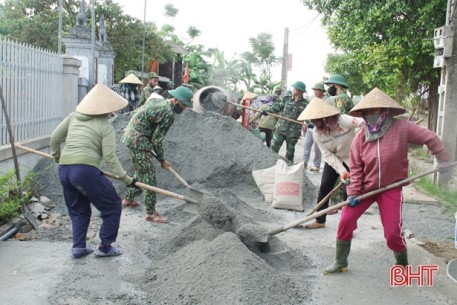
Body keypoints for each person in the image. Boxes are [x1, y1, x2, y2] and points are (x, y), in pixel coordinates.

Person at [324, 88, 452, 274]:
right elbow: (357, 170)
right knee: (346, 219)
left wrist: (442, 159)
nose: (370, 115)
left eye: (374, 111)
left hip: (391, 188)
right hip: (366, 188)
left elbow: (430, 137)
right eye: (366, 112)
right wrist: (353, 193)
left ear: (385, 110)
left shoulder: (402, 128)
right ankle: (340, 261)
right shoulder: (360, 138)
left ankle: (402, 264)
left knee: (392, 233)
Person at [50, 84, 137, 258]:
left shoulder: (73, 117)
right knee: (112, 205)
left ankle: (79, 247)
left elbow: (54, 138)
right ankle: (105, 246)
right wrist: (127, 179)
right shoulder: (106, 127)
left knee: (78, 210)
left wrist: (58, 158)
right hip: (85, 171)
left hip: (64, 171)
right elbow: (110, 157)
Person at [121, 86, 194, 223]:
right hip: (138, 141)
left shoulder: (158, 101)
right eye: (183, 105)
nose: (184, 108)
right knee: (149, 178)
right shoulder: (168, 113)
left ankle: (128, 199)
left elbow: (138, 114)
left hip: (131, 136)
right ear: (176, 100)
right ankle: (151, 214)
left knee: (141, 173)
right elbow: (157, 140)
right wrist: (162, 160)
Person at [297, 97, 364, 229]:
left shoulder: (343, 120)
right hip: (334, 160)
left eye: (317, 120)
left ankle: (348, 225)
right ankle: (320, 220)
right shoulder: (317, 133)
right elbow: (327, 154)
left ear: (325, 117)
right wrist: (342, 171)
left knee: (349, 192)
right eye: (313, 120)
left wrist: (363, 139)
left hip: (353, 158)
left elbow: (363, 123)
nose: (315, 123)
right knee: (325, 186)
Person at [265, 81, 308, 162]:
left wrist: (311, 123)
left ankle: (288, 168)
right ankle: (270, 164)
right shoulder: (286, 99)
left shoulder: (305, 104)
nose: (293, 89)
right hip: (281, 128)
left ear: (300, 91)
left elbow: (308, 117)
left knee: (290, 153)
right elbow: (278, 108)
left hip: (294, 132)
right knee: (273, 147)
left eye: (295, 88)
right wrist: (267, 111)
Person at [302, 82, 326, 171]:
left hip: (319, 127)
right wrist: (305, 123)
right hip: (310, 126)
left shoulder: (326, 101)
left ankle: (316, 164)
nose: (315, 92)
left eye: (316, 90)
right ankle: (304, 163)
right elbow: (309, 112)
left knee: (317, 147)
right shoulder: (313, 100)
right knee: (307, 145)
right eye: (314, 90)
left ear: (321, 91)